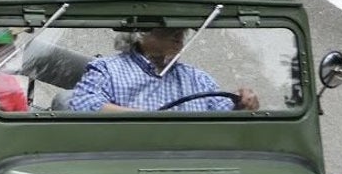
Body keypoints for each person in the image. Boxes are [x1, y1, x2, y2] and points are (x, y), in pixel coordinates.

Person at [68, 27, 259, 112]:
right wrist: (148, 120)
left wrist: (243, 104)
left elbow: (225, 119)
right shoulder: (107, 69)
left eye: (182, 30)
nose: (179, 37)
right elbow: (83, 104)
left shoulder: (198, 79)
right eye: (167, 30)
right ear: (140, 33)